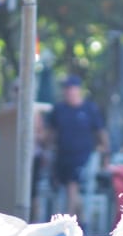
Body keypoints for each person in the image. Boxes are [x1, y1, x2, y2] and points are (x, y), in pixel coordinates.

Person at [46, 74, 109, 222]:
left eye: (71, 88)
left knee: (72, 185)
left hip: (83, 157)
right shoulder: (59, 109)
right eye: (66, 89)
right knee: (68, 189)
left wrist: (106, 154)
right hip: (62, 156)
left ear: (78, 90)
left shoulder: (89, 109)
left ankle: (67, 222)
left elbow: (101, 132)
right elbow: (51, 133)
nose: (68, 92)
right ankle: (81, 221)